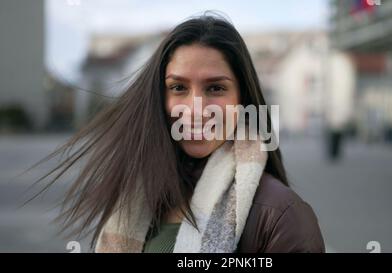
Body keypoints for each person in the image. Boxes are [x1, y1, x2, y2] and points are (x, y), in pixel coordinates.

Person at [36, 13, 325, 253]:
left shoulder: (282, 216)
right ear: (159, 98)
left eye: (215, 88)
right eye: (178, 87)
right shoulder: (136, 195)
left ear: (242, 100)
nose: (196, 109)